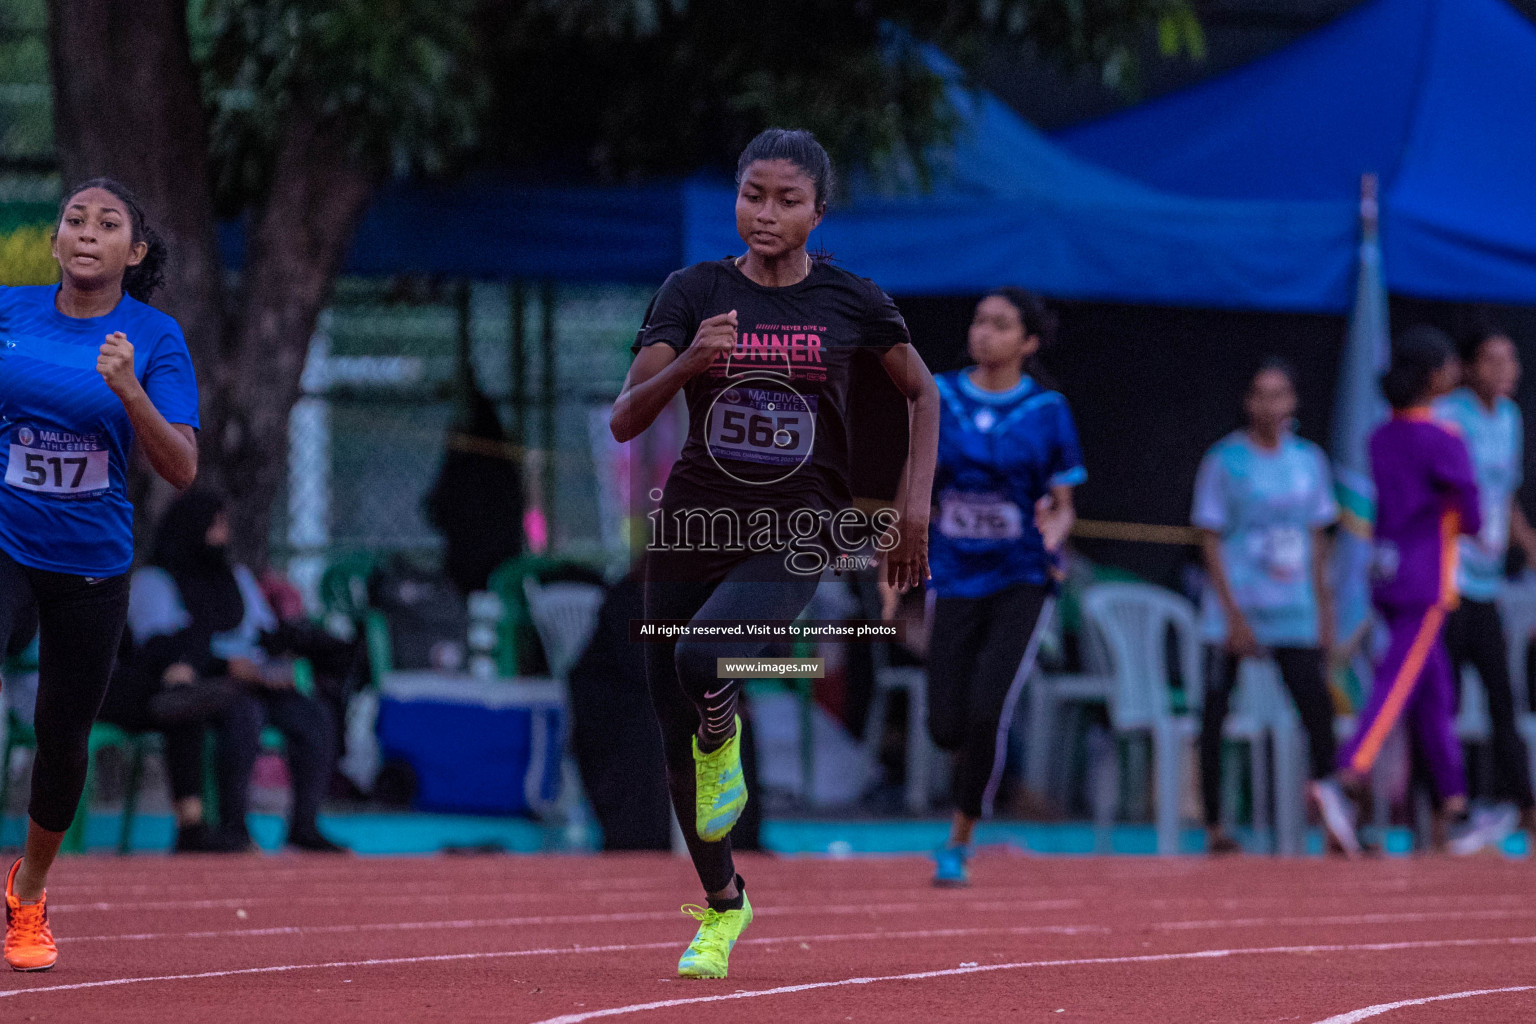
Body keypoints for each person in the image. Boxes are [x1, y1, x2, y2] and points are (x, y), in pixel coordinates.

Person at [611, 128, 939, 979]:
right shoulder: (694, 290)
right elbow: (626, 417)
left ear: (817, 213)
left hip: (798, 531)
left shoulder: (851, 300)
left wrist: (913, 509)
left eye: (787, 200)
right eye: (753, 195)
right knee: (674, 720)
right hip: (692, 527)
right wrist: (689, 361)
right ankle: (723, 907)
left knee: (702, 657)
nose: (765, 213)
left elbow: (922, 392)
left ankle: (727, 750)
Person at [0, 179, 200, 971]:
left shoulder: (153, 338)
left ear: (133, 251)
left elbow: (181, 466)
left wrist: (128, 392)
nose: (87, 233)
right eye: (74, 220)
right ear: (54, 243)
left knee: (61, 738)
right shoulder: (10, 313)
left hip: (91, 564)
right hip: (7, 542)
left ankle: (30, 892)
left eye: (107, 223)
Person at [923, 289, 1082, 886]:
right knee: (945, 723)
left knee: (990, 707)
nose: (984, 333)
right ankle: (965, 778)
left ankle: (959, 837)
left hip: (1021, 574)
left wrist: (1053, 531)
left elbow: (1065, 504)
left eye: (1001, 324)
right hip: (956, 572)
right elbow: (916, 478)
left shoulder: (1047, 411)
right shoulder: (939, 396)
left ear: (1029, 342)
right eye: (979, 321)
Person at [1316, 326, 1483, 855]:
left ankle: (1454, 806)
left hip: (1385, 572)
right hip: (1424, 579)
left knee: (1436, 698)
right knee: (1395, 682)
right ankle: (1348, 776)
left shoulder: (1379, 436)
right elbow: (1474, 518)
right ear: (1434, 376)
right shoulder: (1444, 439)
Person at [127, 490, 347, 854]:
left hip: (255, 682)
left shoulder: (236, 578)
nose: (223, 536)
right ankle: (233, 829)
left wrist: (288, 658)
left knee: (313, 715)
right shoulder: (153, 582)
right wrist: (225, 666)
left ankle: (304, 825)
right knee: (244, 714)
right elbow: (157, 650)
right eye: (216, 526)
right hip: (204, 691)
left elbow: (264, 634)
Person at [1191, 359, 1340, 855]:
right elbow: (1209, 538)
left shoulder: (1309, 461)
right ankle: (1215, 824)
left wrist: (1325, 611)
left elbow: (1318, 539)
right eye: (1260, 394)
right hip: (1237, 610)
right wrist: (1231, 615)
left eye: (1279, 394)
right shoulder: (1224, 460)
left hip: (1294, 609)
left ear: (1293, 402)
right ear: (1247, 402)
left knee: (1318, 712)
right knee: (1215, 712)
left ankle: (1337, 822)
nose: (1269, 404)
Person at [1434, 325, 1536, 850]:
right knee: (1443, 701)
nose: (1504, 370)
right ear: (1471, 366)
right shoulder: (1449, 416)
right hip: (1448, 581)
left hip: (1488, 583)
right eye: (1492, 360)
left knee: (1503, 697)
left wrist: (1528, 543)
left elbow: (1505, 496)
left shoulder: (1512, 419)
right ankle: (1439, 814)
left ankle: (1525, 807)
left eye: (1511, 359)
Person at [425, 388, 524, 595]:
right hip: (468, 566)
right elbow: (436, 509)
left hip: (496, 566)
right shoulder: (462, 467)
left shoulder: (492, 468)